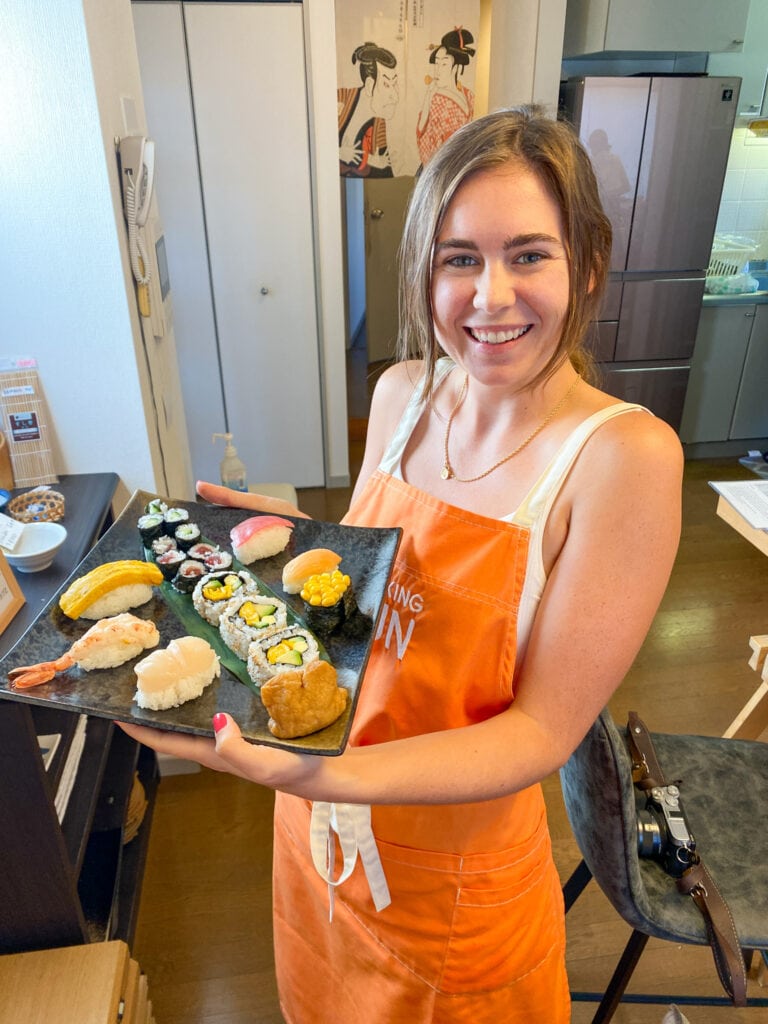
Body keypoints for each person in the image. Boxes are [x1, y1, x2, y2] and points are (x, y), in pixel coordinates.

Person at [119, 106, 683, 1022]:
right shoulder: (402, 395)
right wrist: (303, 544)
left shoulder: (623, 460)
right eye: (459, 258)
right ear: (424, 268)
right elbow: (380, 592)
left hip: (451, 888)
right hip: (317, 840)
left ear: (587, 265)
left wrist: (312, 773)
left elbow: (540, 733)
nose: (490, 296)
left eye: (529, 255)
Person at [416, 28, 475, 171]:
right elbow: (421, 131)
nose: (437, 69)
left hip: (461, 166)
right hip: (441, 169)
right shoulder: (437, 97)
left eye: (444, 64)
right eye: (436, 63)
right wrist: (429, 95)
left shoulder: (469, 95)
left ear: (456, 68)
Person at [338, 41, 399, 177]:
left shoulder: (379, 124)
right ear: (370, 84)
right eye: (386, 85)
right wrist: (338, 153)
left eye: (395, 84)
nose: (395, 97)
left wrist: (376, 165)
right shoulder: (341, 98)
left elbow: (383, 171)